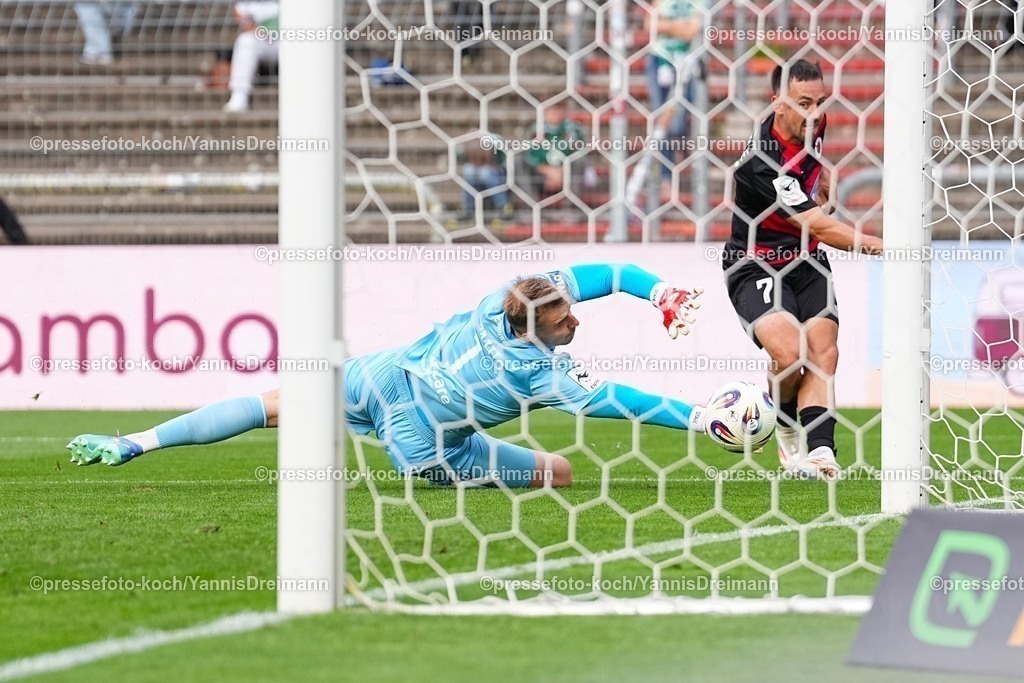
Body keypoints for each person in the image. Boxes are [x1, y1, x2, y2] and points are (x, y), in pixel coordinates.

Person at [67, 264, 705, 488]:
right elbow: (621, 403)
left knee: (271, 405)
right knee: (560, 473)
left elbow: (597, 277)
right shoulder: (544, 377)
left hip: (381, 375)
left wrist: (658, 293)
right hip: (424, 439)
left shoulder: (500, 301)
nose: (576, 323)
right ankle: (433, 472)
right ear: (538, 326)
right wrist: (701, 418)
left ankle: (136, 442)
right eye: (565, 322)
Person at [722, 59, 883, 480]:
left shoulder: (815, 122)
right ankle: (785, 426)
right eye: (802, 103)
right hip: (755, 261)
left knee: (824, 351)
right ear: (777, 101)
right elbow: (821, 226)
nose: (813, 112)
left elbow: (809, 164)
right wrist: (888, 248)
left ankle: (823, 452)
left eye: (819, 102)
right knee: (791, 357)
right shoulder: (762, 160)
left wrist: (821, 176)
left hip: (806, 259)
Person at [643, 0, 701, 185]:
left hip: (687, 63)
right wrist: (680, 27)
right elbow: (649, 25)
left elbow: (694, 30)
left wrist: (666, 26)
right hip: (659, 60)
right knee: (661, 121)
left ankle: (682, 156)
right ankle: (666, 176)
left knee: (676, 122)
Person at [222, 2, 280, 113]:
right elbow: (245, 22)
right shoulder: (247, 3)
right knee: (246, 40)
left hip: (289, 39)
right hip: (264, 41)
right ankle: (239, 96)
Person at [523, 106, 586, 198]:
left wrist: (560, 172)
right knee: (519, 162)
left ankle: (572, 206)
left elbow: (578, 153)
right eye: (551, 111)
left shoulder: (573, 130)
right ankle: (529, 204)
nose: (554, 114)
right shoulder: (536, 130)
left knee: (580, 161)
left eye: (557, 110)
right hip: (541, 177)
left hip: (566, 176)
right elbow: (531, 157)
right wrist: (549, 171)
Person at [455, 130, 513, 224]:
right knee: (468, 171)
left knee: (485, 173)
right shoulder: (467, 140)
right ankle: (467, 209)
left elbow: (502, 160)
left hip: (494, 171)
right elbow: (460, 158)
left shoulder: (495, 139)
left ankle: (504, 207)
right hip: (475, 172)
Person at [74, 2, 137, 66]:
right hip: (117, 15)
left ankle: (100, 50)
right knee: (86, 6)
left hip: (121, 14)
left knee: (86, 6)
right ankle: (100, 50)